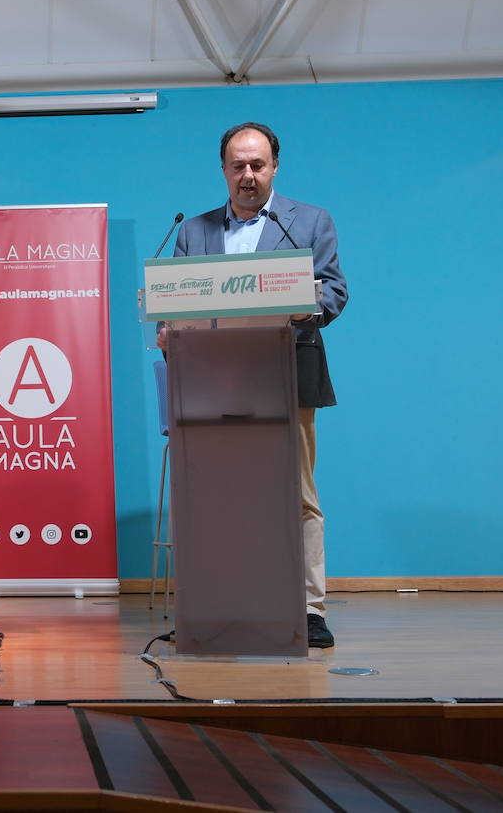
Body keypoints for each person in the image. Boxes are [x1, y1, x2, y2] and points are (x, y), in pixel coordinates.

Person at [162, 122, 348, 648]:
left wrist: (300, 305)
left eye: (258, 165)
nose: (248, 175)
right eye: (238, 166)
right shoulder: (193, 231)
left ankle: (309, 608)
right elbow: (175, 301)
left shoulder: (309, 222)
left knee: (298, 494)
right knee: (220, 495)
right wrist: (168, 327)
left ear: (275, 167)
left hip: (288, 372)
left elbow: (334, 291)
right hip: (212, 379)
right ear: (223, 170)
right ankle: (221, 601)